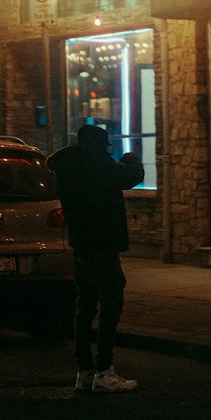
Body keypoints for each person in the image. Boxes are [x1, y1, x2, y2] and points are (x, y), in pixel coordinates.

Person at [48, 123, 144, 393]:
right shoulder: (96, 164)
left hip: (82, 246)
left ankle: (85, 371)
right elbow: (129, 176)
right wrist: (131, 159)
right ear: (99, 146)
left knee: (85, 308)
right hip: (103, 245)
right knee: (112, 304)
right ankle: (104, 371)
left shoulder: (66, 166)